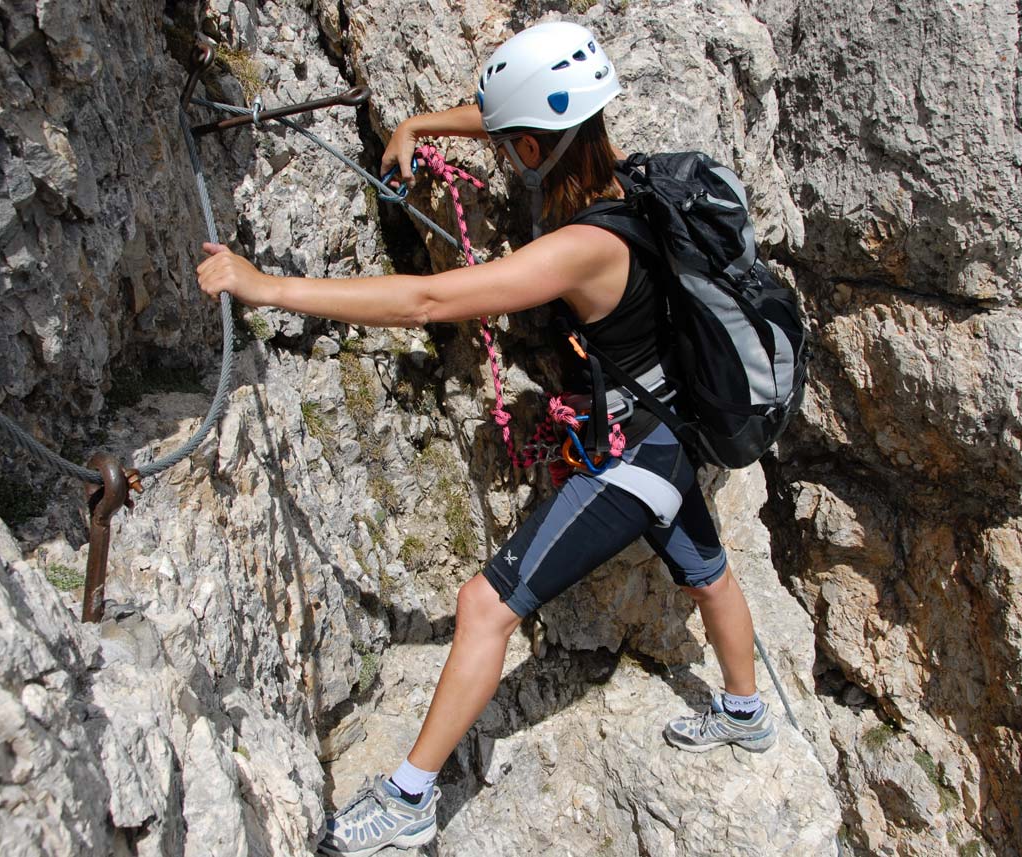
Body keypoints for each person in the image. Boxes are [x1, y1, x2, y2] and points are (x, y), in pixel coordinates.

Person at [195, 21, 776, 857]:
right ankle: (748, 711)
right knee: (707, 570)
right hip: (672, 429)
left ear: (537, 146)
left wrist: (269, 286)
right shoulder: (621, 177)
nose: (503, 156)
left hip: (633, 457)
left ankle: (406, 799)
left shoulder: (582, 248)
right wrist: (422, 126)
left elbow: (432, 301)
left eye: (511, 148)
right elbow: (506, 118)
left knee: (484, 604)